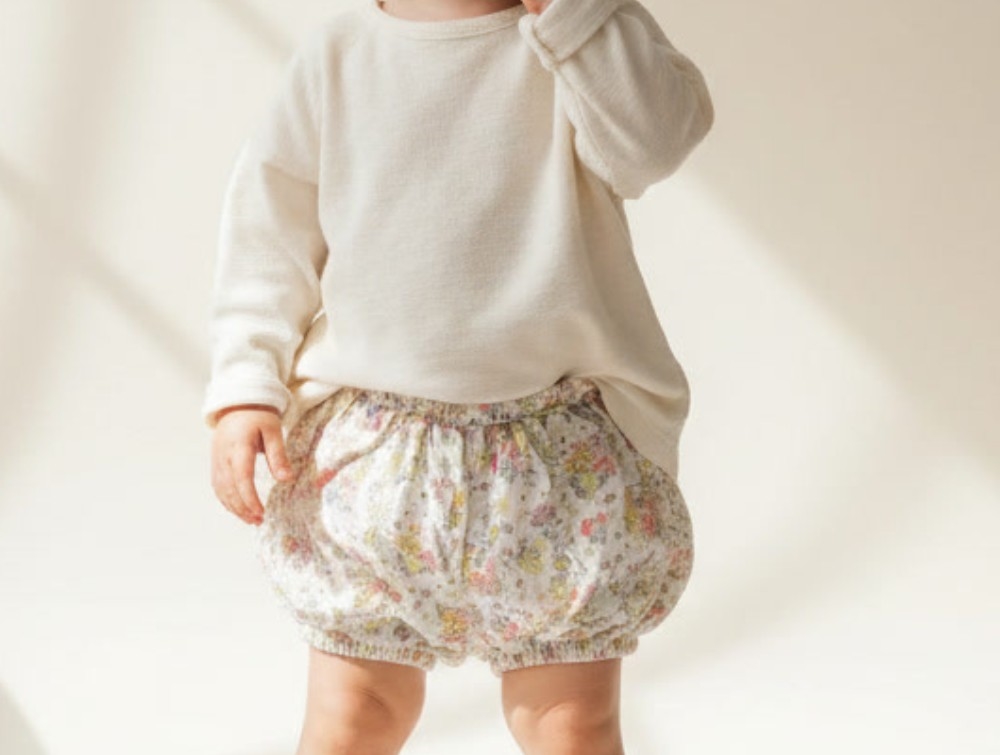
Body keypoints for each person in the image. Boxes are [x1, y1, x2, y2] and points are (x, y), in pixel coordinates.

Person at [204, 0, 714, 751]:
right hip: (375, 464)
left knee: (569, 723)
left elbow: (654, 145)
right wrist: (247, 383)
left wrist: (575, 16)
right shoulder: (340, 55)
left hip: (558, 460)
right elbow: (269, 233)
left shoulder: (577, 36)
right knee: (354, 715)